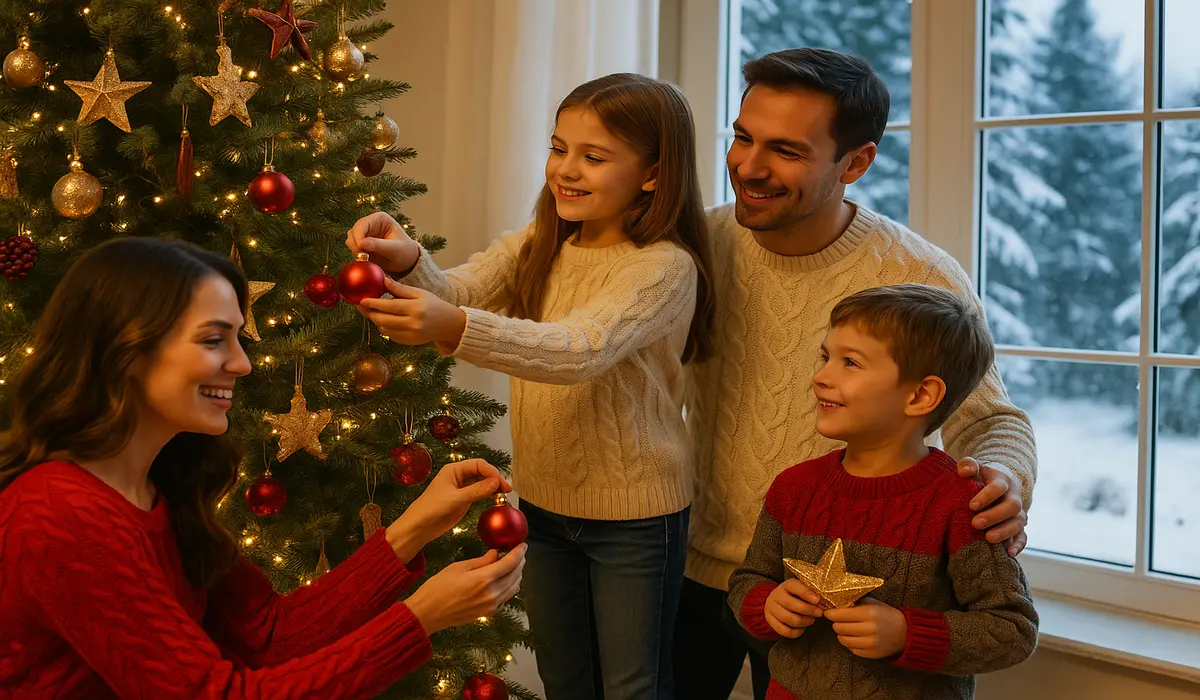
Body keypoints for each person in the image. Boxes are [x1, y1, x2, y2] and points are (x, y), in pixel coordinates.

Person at [0, 237, 526, 699]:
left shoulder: (155, 488)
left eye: (236, 338)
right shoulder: (62, 510)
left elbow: (268, 635)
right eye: (213, 340)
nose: (242, 364)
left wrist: (414, 529)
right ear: (126, 352)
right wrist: (421, 616)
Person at [675, 48, 1038, 699]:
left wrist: (1004, 477)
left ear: (857, 162)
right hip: (693, 570)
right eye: (742, 137)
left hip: (828, 593)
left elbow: (991, 420)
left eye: (784, 150)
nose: (748, 168)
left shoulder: (918, 276)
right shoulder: (694, 247)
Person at [344, 72, 715, 699]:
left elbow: (578, 349)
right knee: (564, 677)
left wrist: (457, 327)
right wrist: (409, 259)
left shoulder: (663, 268)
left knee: (634, 686)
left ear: (653, 173)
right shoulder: (543, 242)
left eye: (593, 157)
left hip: (636, 518)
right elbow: (457, 292)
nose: (566, 169)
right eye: (558, 147)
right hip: (542, 503)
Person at [728, 284, 1038, 700]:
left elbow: (1012, 629)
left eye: (850, 363)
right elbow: (748, 580)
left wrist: (909, 634)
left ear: (920, 395)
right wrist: (767, 605)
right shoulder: (793, 488)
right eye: (826, 357)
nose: (821, 376)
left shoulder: (963, 505)